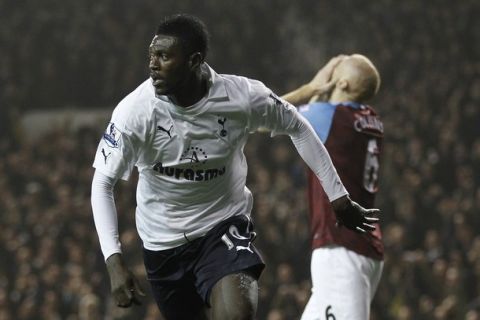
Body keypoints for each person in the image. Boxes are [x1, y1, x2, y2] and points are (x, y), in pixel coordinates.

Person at [90, 14, 379, 320]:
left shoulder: (241, 97)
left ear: (194, 60)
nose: (152, 64)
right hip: (162, 243)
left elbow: (297, 125)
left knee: (236, 314)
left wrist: (338, 196)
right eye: (152, 55)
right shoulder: (135, 112)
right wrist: (113, 259)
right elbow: (102, 183)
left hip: (222, 227)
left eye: (163, 56)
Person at [282, 54, 384, 320]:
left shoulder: (331, 116)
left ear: (344, 83)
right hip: (362, 247)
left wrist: (314, 83)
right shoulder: (370, 119)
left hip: (341, 249)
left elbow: (267, 112)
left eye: (336, 70)